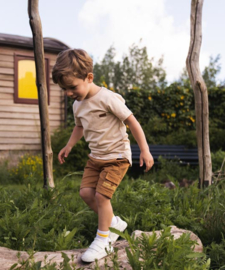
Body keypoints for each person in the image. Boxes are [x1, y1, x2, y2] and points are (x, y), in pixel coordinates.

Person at [52, 49, 154, 262]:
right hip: (95, 158)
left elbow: (132, 122)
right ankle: (114, 223)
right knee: (86, 194)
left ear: (89, 78)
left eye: (72, 87)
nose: (68, 93)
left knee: (101, 196)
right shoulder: (77, 105)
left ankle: (104, 239)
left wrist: (144, 149)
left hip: (117, 157)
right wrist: (69, 146)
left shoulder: (107, 98)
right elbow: (79, 127)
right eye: (64, 89)